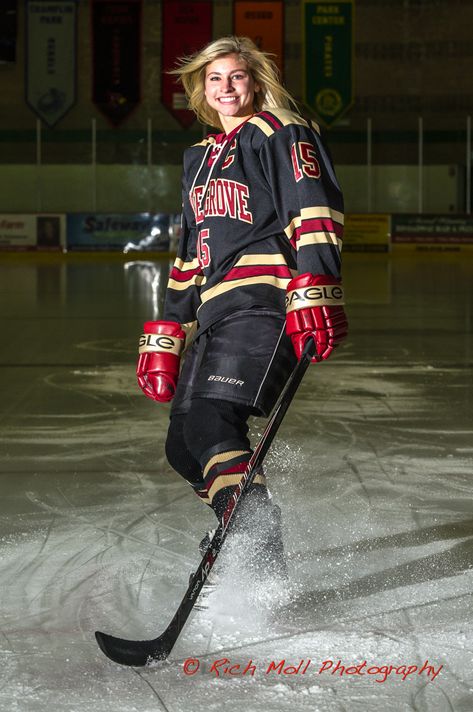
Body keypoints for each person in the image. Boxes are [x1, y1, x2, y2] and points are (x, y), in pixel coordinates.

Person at [136, 36, 347, 579]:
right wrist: (169, 325)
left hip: (264, 301)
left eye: (236, 76)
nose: (225, 87)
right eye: (214, 78)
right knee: (185, 447)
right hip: (213, 311)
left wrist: (314, 283)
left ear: (255, 82)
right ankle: (251, 527)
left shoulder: (278, 132)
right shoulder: (199, 159)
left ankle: (256, 535)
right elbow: (190, 252)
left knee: (212, 422)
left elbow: (315, 208)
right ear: (200, 89)